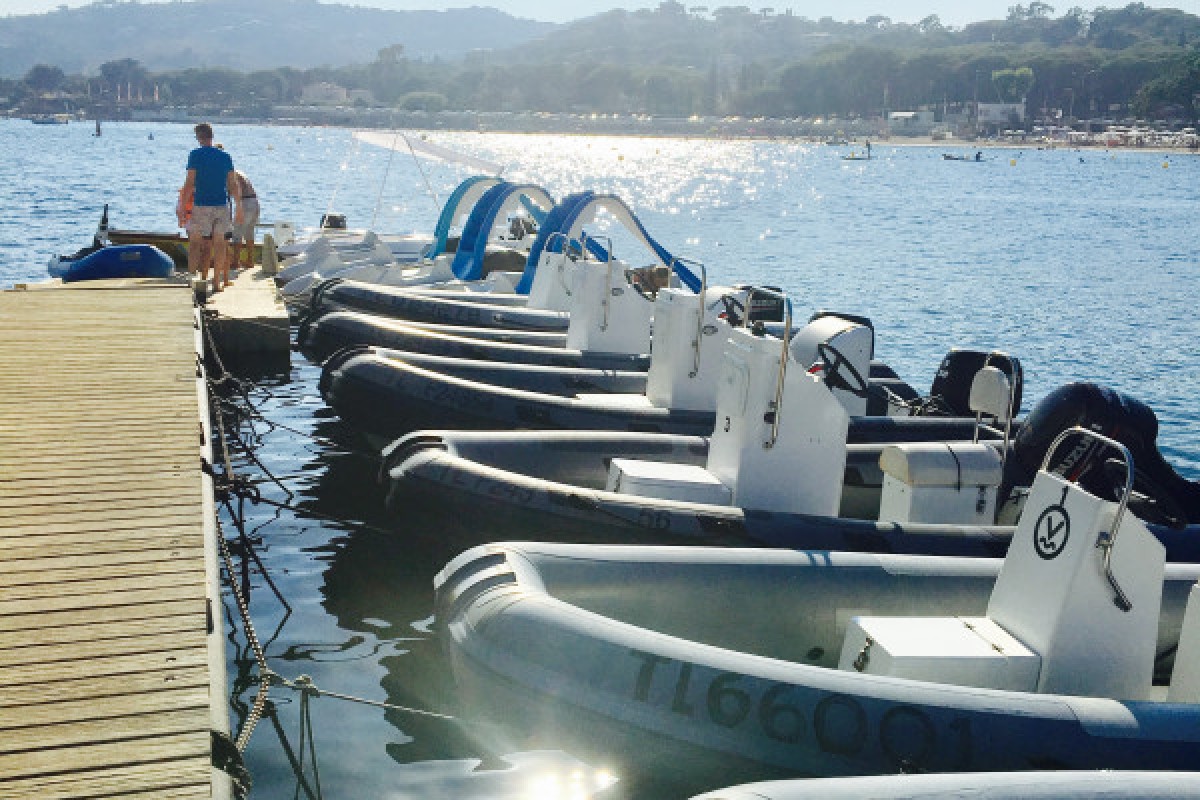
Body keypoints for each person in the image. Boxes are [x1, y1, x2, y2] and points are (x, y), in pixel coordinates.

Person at [181, 122, 239, 293]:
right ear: (212, 136)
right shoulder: (225, 156)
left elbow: (190, 182)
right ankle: (216, 283)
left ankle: (192, 278)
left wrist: (183, 206)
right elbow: (233, 184)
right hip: (221, 205)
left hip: (202, 205)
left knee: (195, 243)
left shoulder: (195, 155)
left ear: (199, 137)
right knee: (220, 245)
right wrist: (240, 206)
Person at [230, 169, 259, 271]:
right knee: (249, 232)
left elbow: (236, 189)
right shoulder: (240, 173)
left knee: (237, 233)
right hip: (255, 202)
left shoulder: (232, 175)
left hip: (245, 202)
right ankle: (250, 260)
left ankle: (236, 262)